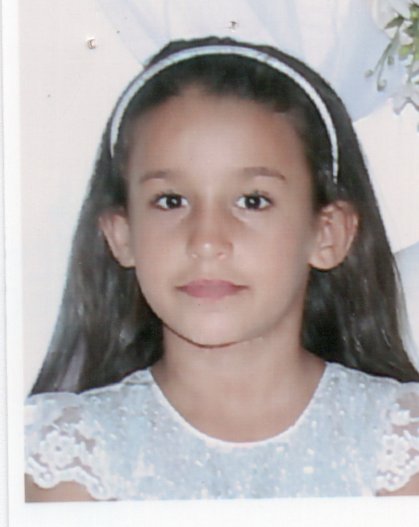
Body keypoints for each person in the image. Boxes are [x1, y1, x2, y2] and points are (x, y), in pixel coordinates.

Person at [25, 36, 419, 501]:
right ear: (122, 234)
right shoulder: (63, 461)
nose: (207, 241)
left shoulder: (399, 448)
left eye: (252, 201)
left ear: (326, 234)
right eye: (171, 201)